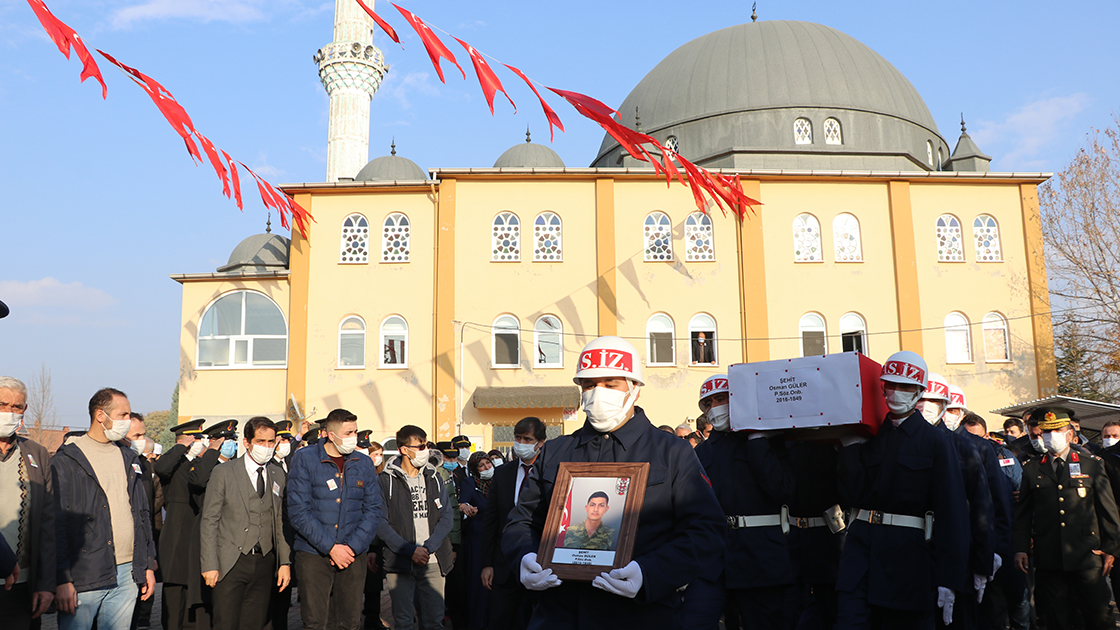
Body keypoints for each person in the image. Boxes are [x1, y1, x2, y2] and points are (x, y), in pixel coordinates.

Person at [503, 336, 725, 629]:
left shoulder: (672, 452)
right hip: (558, 614)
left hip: (641, 616)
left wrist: (649, 573)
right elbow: (520, 522)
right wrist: (524, 557)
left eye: (610, 384)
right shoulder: (556, 452)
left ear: (634, 388)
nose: (597, 393)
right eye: (589, 385)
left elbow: (706, 531)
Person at [836, 351, 970, 628]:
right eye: (891, 385)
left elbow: (952, 511)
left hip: (907, 561)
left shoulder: (935, 441)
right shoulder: (869, 437)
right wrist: (849, 450)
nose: (896, 392)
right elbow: (851, 496)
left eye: (906, 386)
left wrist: (949, 578)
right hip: (860, 553)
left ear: (920, 391)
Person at [692, 373, 794, 630]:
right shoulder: (701, 452)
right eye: (710, 403)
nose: (716, 407)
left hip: (760, 556)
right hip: (713, 558)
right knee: (692, 622)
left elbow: (781, 489)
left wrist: (757, 441)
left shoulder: (768, 442)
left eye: (722, 399)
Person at [52, 388, 157, 630]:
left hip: (128, 573)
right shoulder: (66, 461)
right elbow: (56, 525)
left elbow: (142, 514)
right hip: (85, 575)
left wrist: (147, 564)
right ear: (101, 415)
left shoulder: (129, 458)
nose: (127, 421)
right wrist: (63, 579)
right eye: (123, 414)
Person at [1013, 406, 1120, 630]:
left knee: (1099, 615)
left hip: (1087, 554)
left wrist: (1111, 547)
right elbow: (1023, 513)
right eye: (1047, 431)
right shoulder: (1032, 468)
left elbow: (1107, 509)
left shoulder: (1090, 464)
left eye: (1058, 430)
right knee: (1056, 618)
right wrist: (1021, 548)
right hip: (1049, 556)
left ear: (1070, 433)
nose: (1052, 437)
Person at [287, 408, 382, 630]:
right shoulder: (304, 459)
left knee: (349, 622)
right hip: (313, 553)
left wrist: (350, 547)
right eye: (348, 433)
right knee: (315, 621)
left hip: (352, 554)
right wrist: (330, 547)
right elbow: (298, 511)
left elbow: (373, 508)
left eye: (355, 432)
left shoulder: (363, 462)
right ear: (331, 435)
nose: (354, 438)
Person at [917, 373, 996, 628]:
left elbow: (983, 506)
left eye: (935, 401)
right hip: (912, 560)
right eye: (922, 399)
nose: (926, 406)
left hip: (958, 557)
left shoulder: (965, 447)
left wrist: (985, 559)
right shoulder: (901, 442)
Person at [200, 416, 291, 630]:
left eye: (271, 442)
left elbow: (280, 520)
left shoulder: (278, 474)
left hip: (264, 561)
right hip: (230, 562)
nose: (267, 447)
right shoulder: (224, 472)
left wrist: (284, 562)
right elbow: (210, 520)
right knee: (226, 623)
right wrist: (210, 564)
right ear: (247, 443)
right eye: (261, 441)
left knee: (255, 623)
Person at [376, 425, 454, 630]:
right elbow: (380, 523)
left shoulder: (434, 477)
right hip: (400, 560)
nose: (424, 451)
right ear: (403, 449)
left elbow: (446, 516)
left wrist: (428, 548)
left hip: (434, 559)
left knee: (434, 621)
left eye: (426, 445)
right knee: (403, 622)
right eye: (419, 447)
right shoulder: (385, 481)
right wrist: (410, 551)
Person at [0, 376, 56, 628]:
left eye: (16, 407)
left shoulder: (36, 454)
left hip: (22, 585)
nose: (9, 413)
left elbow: (47, 523)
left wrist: (45, 583)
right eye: (2, 405)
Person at [482, 416, 544, 630]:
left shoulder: (550, 473)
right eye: (518, 438)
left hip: (539, 564)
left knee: (533, 620)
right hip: (504, 565)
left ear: (540, 443)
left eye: (527, 439)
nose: (521, 444)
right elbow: (491, 520)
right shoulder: (503, 473)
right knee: (500, 619)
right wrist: (487, 563)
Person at [153, 418, 206, 630]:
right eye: (196, 438)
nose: (200, 442)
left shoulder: (197, 464)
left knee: (191, 599)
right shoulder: (173, 465)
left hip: (195, 534)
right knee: (174, 599)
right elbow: (162, 467)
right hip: (176, 537)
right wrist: (181, 447)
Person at [124, 413, 160, 630]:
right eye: (136, 435)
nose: (141, 440)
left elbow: (146, 509)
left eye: (143, 435)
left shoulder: (142, 466)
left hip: (139, 553)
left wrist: (149, 557)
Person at [435, 441, 467, 630]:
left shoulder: (458, 474)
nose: (452, 461)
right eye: (448, 458)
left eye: (454, 458)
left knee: (456, 584)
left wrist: (455, 544)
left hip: (454, 537)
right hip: (439, 537)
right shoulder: (436, 474)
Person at [460, 452, 494, 629]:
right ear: (474, 468)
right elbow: (461, 503)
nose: (487, 468)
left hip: (496, 539)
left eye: (488, 463)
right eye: (481, 465)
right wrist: (466, 507)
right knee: (478, 584)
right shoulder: (470, 483)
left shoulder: (497, 482)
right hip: (477, 540)